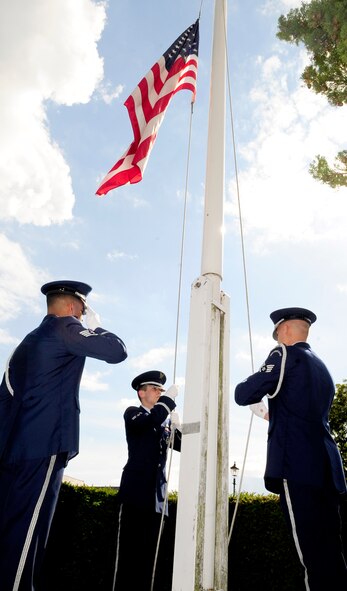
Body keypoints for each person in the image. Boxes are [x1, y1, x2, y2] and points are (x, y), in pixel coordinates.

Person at [0, 280, 127, 591]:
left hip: (16, 448)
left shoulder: (28, 341)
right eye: (82, 312)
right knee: (28, 536)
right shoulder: (65, 327)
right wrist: (98, 329)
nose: (82, 318)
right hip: (44, 445)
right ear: (73, 307)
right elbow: (116, 351)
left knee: (12, 529)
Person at [235, 307, 347, 590]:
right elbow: (302, 410)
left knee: (312, 557)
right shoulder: (322, 368)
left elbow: (244, 393)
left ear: (283, 331)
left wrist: (254, 393)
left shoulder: (282, 354)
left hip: (298, 465)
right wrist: (267, 414)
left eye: (276, 335)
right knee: (332, 555)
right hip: (327, 468)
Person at [113, 370, 181, 591]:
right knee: (128, 557)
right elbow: (148, 422)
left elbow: (182, 446)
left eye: (162, 390)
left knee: (152, 559)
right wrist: (168, 402)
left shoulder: (162, 421)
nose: (160, 393)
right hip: (135, 494)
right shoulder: (133, 413)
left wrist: (179, 429)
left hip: (157, 499)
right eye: (155, 389)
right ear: (142, 393)